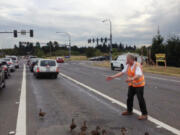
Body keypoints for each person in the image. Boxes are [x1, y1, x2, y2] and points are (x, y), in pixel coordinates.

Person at [106, 54, 148, 120]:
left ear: (131, 60)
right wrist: (113, 77)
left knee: (140, 99)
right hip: (132, 85)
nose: (126, 60)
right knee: (129, 97)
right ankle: (129, 111)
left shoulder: (137, 65)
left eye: (127, 59)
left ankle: (144, 114)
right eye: (126, 59)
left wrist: (131, 79)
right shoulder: (127, 65)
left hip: (139, 85)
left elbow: (138, 75)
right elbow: (122, 72)